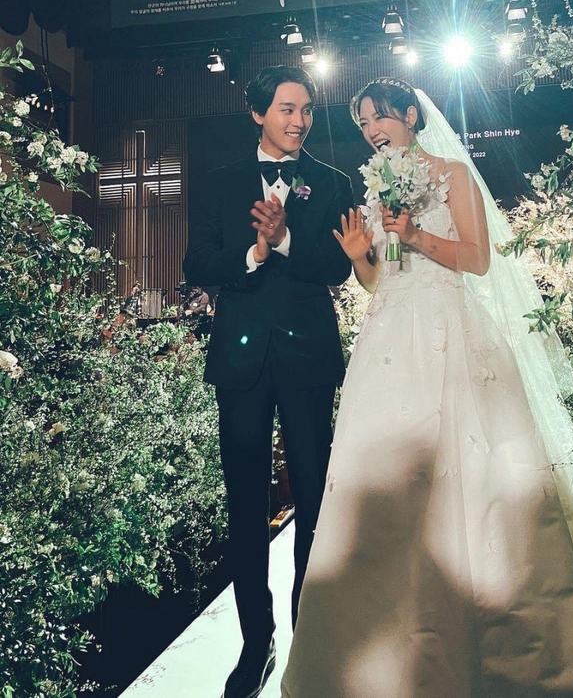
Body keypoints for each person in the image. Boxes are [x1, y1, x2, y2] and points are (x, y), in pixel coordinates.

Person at [280, 78, 573, 697]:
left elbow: (477, 259)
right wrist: (361, 256)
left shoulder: (453, 174)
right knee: (385, 480)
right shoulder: (375, 188)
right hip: (389, 340)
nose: (372, 131)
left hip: (451, 331)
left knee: (471, 477)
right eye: (363, 123)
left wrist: (413, 234)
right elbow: (381, 282)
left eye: (379, 117)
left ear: (410, 115)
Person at [183, 65, 354, 698]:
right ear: (258, 113)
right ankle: (257, 643)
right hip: (241, 364)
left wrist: (284, 242)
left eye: (307, 109)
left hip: (309, 360)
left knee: (314, 499)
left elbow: (339, 267)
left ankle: (311, 637)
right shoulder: (221, 182)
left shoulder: (332, 183)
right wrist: (255, 254)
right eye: (287, 109)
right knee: (245, 505)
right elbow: (197, 262)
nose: (300, 120)